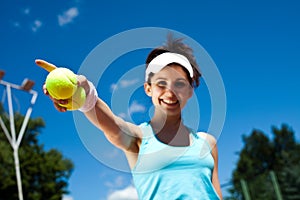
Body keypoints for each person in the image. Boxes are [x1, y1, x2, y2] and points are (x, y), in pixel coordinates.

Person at [38, 34, 223, 200]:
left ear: (190, 90)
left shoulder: (208, 143)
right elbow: (110, 124)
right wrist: (85, 96)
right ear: (148, 89)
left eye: (180, 83)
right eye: (161, 83)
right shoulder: (139, 138)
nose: (170, 92)